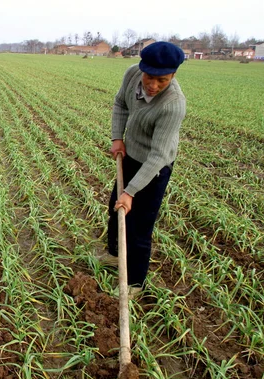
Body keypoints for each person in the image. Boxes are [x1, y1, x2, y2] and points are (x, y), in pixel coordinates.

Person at [105, 41, 186, 296]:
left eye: (162, 80)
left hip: (155, 166)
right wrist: (117, 137)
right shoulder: (131, 75)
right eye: (149, 77)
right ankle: (114, 256)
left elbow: (159, 155)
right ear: (141, 69)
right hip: (131, 154)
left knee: (139, 226)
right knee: (114, 208)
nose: (153, 85)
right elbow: (120, 104)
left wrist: (131, 191)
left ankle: (135, 283)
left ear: (172, 75)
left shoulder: (172, 105)